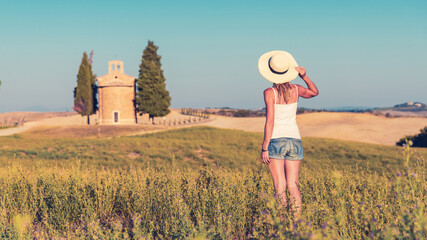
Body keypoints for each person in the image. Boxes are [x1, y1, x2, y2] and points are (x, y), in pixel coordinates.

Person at [258, 51, 319, 217]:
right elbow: (314, 92)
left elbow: (270, 121)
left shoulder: (270, 92)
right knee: (293, 186)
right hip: (295, 141)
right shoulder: (297, 89)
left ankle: (282, 224)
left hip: (276, 141)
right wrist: (305, 77)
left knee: (280, 186)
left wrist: (264, 148)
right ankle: (296, 224)